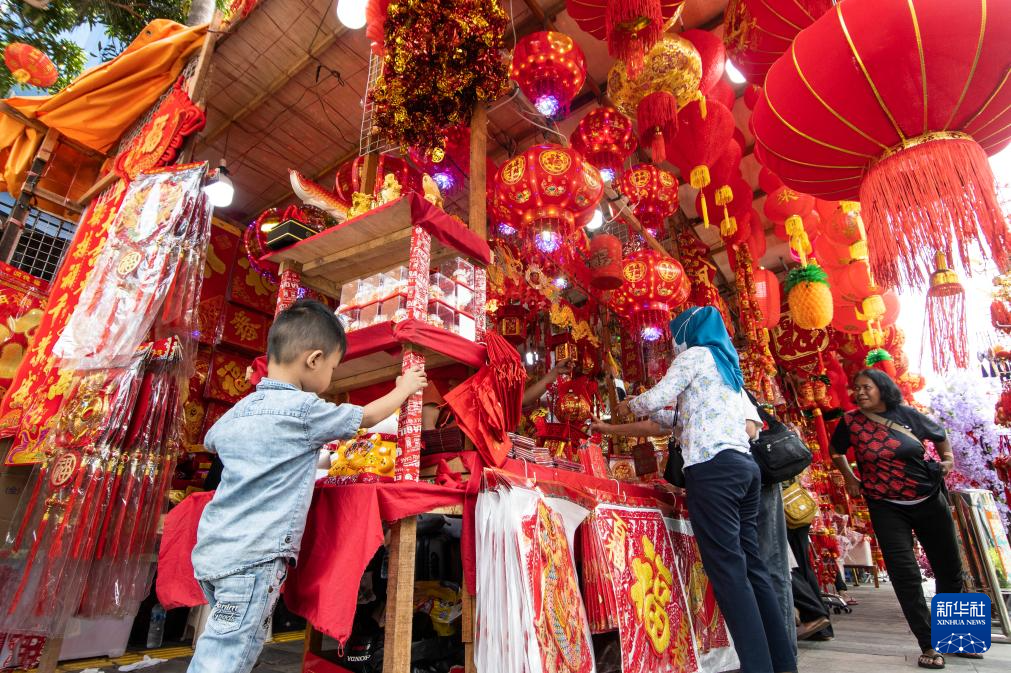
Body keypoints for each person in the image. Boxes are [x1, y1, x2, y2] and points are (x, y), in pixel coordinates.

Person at [188, 300, 428, 673]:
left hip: (213, 551)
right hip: (255, 557)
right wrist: (404, 388)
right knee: (226, 657)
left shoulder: (240, 410)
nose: (331, 376)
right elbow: (366, 417)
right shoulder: (303, 410)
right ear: (314, 360)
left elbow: (212, 439)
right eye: (332, 368)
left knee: (228, 644)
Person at [592, 306, 796, 673]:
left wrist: (628, 405)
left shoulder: (695, 355)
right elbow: (674, 418)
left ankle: (758, 667)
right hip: (744, 469)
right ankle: (782, 663)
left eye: (675, 335)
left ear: (689, 332)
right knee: (752, 568)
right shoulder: (727, 366)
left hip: (714, 471)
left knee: (729, 575)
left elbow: (655, 399)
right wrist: (630, 420)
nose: (673, 344)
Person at [830, 369, 973, 670]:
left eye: (866, 387)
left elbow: (940, 435)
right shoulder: (851, 422)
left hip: (929, 500)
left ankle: (959, 637)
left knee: (950, 570)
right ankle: (928, 644)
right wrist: (851, 478)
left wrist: (947, 460)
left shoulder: (907, 415)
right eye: (856, 388)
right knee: (905, 574)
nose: (860, 393)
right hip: (886, 507)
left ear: (883, 388)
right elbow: (835, 451)